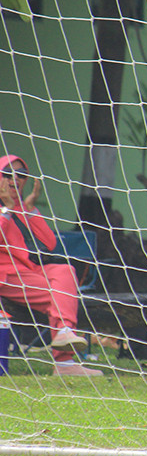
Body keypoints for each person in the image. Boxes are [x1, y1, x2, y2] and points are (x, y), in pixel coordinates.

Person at [0, 155, 100, 376]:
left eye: (21, 175)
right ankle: (64, 363)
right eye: (7, 174)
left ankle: (64, 333)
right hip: (6, 274)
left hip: (31, 270)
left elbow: (49, 243)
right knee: (61, 296)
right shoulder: (7, 209)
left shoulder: (22, 208)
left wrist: (30, 209)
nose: (14, 179)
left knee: (65, 270)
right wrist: (6, 210)